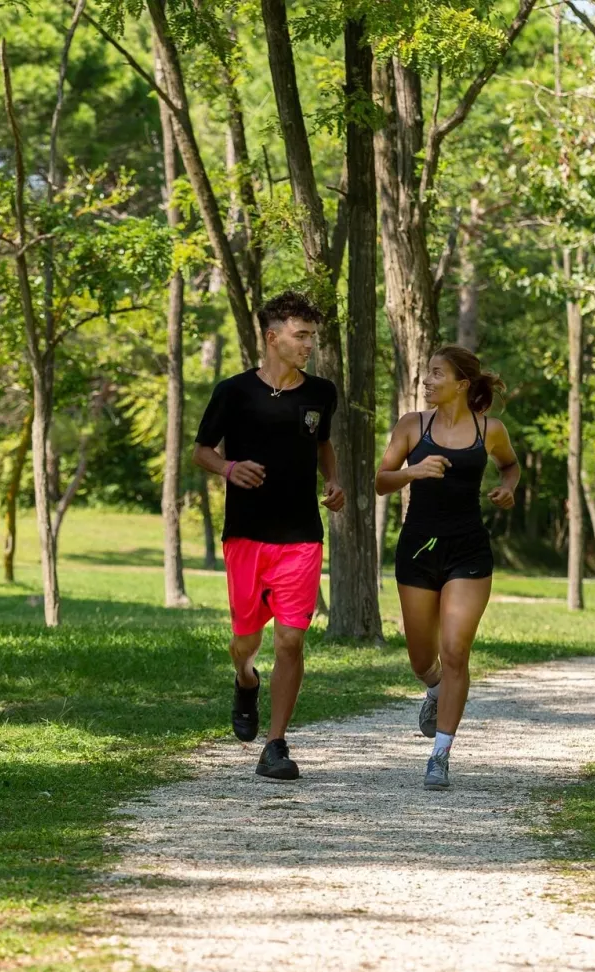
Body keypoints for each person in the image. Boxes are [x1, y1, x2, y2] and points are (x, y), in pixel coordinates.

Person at [193, 291, 345, 780]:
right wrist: (229, 467)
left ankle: (276, 745)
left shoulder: (321, 393)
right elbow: (201, 451)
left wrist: (334, 481)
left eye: (312, 337)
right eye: (301, 336)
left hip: (301, 534)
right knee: (245, 640)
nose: (308, 346)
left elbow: (323, 444)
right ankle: (244, 679)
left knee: (291, 640)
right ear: (271, 336)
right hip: (246, 534)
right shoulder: (233, 392)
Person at [375, 345, 520, 790]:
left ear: (461, 383)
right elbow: (381, 480)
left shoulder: (488, 429)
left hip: (468, 550)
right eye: (426, 374)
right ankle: (433, 687)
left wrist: (506, 488)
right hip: (418, 547)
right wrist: (413, 472)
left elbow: (510, 466)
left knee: (456, 650)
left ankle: (440, 754)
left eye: (437, 374)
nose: (428, 381)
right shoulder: (411, 426)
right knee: (423, 657)